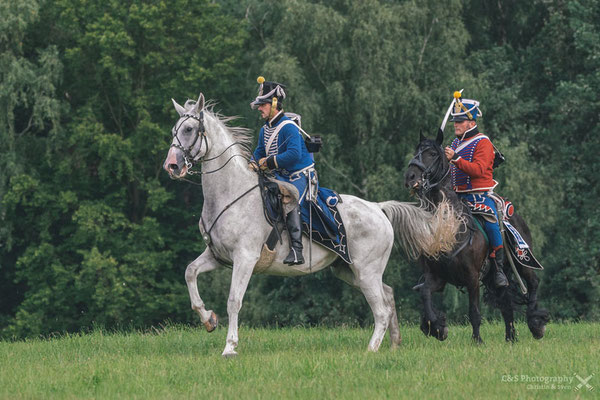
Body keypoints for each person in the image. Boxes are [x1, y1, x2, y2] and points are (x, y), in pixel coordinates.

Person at [444, 91, 509, 287]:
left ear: (471, 123)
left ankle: (498, 269)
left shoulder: (483, 142)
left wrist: (455, 158)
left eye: (460, 121)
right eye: (455, 121)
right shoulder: (456, 143)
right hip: (457, 197)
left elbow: (479, 170)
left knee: (491, 224)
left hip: (479, 197)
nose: (456, 124)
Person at [249, 76, 314, 265]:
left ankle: (297, 250)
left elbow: (294, 154)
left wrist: (267, 163)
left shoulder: (288, 127)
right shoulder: (265, 129)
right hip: (280, 175)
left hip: (299, 176)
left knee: (289, 198)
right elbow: (259, 151)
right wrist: (251, 163)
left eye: (263, 105)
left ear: (274, 103)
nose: (259, 108)